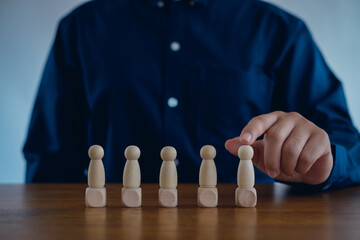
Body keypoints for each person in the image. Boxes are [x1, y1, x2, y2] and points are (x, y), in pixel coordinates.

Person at [23, 0, 360, 190]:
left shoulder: (280, 32)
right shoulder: (81, 29)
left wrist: (328, 162)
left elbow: (351, 150)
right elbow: (50, 164)